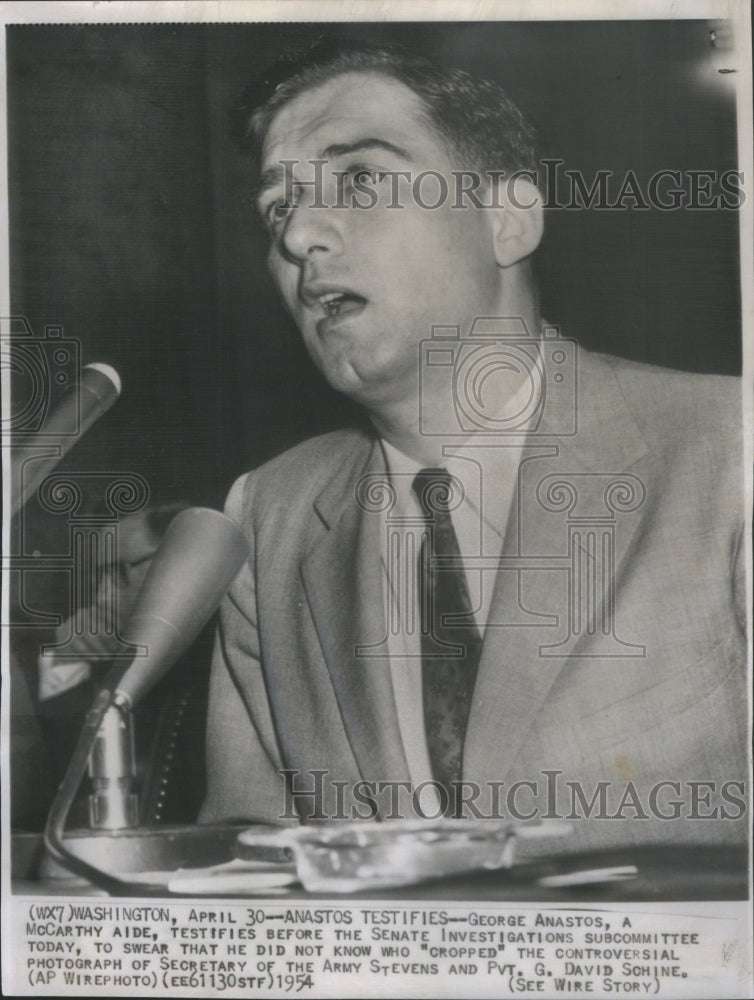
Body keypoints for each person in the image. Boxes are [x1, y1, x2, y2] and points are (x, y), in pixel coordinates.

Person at [199, 41, 747, 853]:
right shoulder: (266, 518)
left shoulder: (727, 450)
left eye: (359, 180)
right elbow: (245, 866)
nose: (301, 236)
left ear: (508, 219)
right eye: (278, 208)